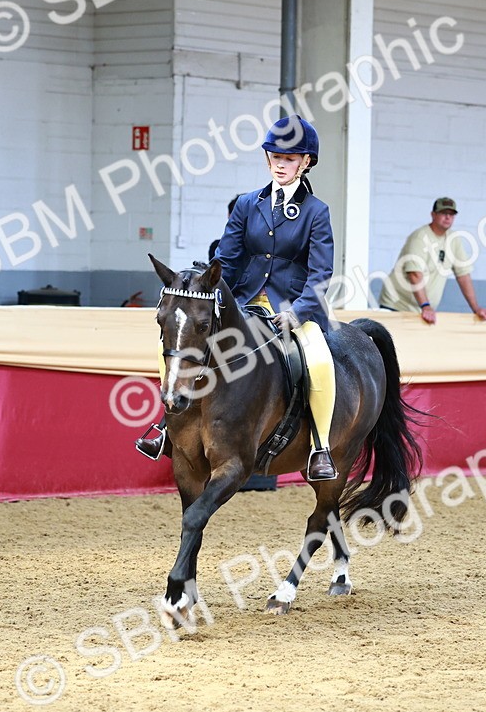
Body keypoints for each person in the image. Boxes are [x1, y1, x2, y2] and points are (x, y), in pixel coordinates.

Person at [137, 115, 339, 481]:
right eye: (275, 156)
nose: (280, 163)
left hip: (291, 308)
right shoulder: (248, 204)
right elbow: (227, 260)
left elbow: (321, 273)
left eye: (290, 158)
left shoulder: (316, 212)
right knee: (178, 343)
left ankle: (320, 447)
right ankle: (168, 427)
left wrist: (300, 310)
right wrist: (203, 291)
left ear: (306, 162)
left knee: (318, 360)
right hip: (242, 303)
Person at [378, 197, 486, 323]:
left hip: (421, 311)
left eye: (451, 214)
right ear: (433, 215)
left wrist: (476, 309)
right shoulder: (420, 238)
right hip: (396, 307)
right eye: (443, 213)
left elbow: (463, 275)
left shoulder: (454, 240)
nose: (448, 217)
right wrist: (426, 305)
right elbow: (414, 274)